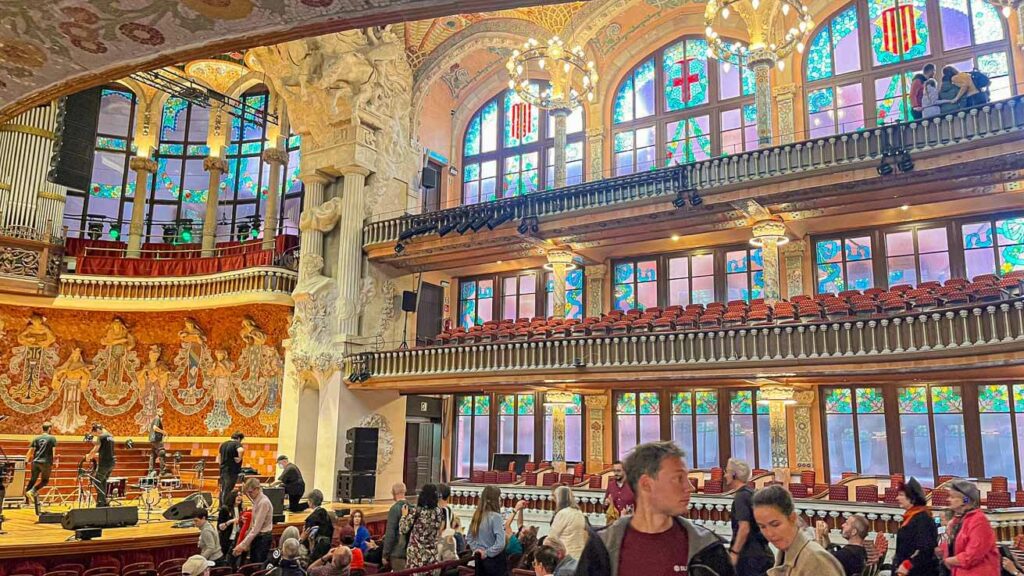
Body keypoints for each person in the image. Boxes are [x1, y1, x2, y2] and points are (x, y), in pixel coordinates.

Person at [576, 440, 734, 576]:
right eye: (678, 478)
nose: (690, 487)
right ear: (646, 484)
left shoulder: (708, 549)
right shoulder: (601, 548)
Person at [752, 484, 843, 576]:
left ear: (792, 518)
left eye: (775, 525)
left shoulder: (815, 560)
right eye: (762, 527)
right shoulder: (784, 556)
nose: (769, 533)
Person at [725, 458, 772, 575]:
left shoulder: (740, 497)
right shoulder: (751, 494)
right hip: (762, 553)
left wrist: (734, 552)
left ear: (734, 474)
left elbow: (744, 527)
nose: (725, 475)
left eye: (726, 472)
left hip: (749, 557)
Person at [943, 479, 1000, 576]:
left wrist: (949, 561)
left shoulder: (979, 521)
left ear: (965, 500)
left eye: (952, 497)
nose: (948, 500)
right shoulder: (960, 520)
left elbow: (972, 556)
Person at [892, 477, 939, 576]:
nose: (897, 498)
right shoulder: (913, 516)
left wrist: (907, 565)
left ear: (912, 498)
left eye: (901, 495)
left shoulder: (922, 519)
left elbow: (925, 549)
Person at [400, 483, 445, 571]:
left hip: (416, 556)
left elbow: (403, 529)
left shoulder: (417, 511)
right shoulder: (439, 511)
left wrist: (404, 516)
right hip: (432, 555)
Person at [467, 484, 507, 576]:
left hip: (479, 560)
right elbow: (501, 543)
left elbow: (469, 537)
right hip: (494, 562)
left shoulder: (477, 515)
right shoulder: (496, 517)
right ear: (494, 500)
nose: (500, 499)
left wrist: (477, 550)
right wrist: (486, 553)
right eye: (499, 497)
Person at [234, 477, 273, 563]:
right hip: (258, 537)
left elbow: (256, 528)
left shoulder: (263, 502)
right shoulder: (256, 500)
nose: (249, 495)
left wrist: (243, 545)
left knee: (258, 565)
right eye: (247, 493)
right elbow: (253, 522)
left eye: (250, 492)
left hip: (263, 538)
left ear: (257, 489)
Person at [549, 486, 588, 560]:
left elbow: (552, 538)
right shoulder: (579, 512)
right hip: (580, 556)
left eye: (554, 496)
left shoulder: (562, 513)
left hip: (566, 557)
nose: (553, 499)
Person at [24, 421, 57, 507]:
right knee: (45, 481)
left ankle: (27, 501)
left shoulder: (36, 438)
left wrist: (26, 460)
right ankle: (32, 491)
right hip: (45, 462)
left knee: (32, 480)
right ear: (49, 428)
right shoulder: (52, 438)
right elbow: (53, 452)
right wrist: (53, 462)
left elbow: (31, 450)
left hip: (35, 462)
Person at [85, 423, 116, 507]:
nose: (96, 435)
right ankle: (102, 502)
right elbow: (106, 450)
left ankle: (102, 501)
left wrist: (89, 456)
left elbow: (96, 448)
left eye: (95, 433)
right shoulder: (110, 436)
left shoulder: (101, 436)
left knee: (96, 481)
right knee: (103, 481)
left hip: (105, 463)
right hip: (112, 462)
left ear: (97, 430)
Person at [382, 482, 409, 570]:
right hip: (410, 551)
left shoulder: (394, 509)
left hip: (397, 552)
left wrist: (385, 554)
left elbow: (390, 534)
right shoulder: (413, 507)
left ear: (394, 493)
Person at [303, 489, 335, 562]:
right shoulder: (327, 515)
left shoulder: (312, 518)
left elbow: (307, 537)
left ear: (310, 502)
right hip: (326, 549)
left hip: (315, 552)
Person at [218, 432, 245, 508]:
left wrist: (222, 465)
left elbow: (219, 458)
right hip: (231, 471)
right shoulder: (236, 443)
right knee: (228, 490)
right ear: (239, 438)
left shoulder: (223, 444)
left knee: (223, 489)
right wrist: (239, 458)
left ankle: (221, 506)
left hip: (223, 470)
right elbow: (241, 450)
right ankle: (225, 507)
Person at [217, 489, 243, 563]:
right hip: (227, 539)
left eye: (240, 495)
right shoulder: (225, 509)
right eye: (237, 495)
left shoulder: (240, 509)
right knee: (226, 560)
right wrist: (230, 521)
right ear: (232, 497)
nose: (239, 497)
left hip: (238, 538)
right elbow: (220, 527)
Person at [149, 407, 166, 476]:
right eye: (161, 412)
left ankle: (151, 470)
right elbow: (155, 428)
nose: (162, 413)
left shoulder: (157, 419)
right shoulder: (157, 418)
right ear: (157, 412)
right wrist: (163, 432)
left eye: (162, 412)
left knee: (153, 454)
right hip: (156, 440)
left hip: (153, 440)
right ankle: (162, 471)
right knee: (162, 453)